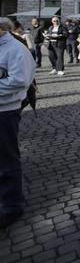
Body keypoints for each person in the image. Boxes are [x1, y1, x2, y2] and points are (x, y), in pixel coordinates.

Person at [0, 17, 36, 229]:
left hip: (5, 110)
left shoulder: (16, 50)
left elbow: (20, 80)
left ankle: (12, 205)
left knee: (7, 160)